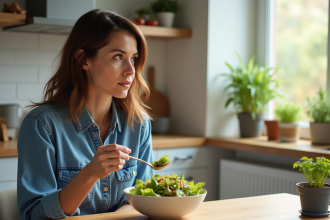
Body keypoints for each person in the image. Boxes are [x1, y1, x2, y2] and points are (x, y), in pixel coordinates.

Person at [16, 9, 154, 220]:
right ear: (83, 60)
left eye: (133, 59)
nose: (130, 70)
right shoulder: (41, 125)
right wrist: (90, 173)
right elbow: (35, 215)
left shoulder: (139, 124)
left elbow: (144, 200)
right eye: (118, 57)